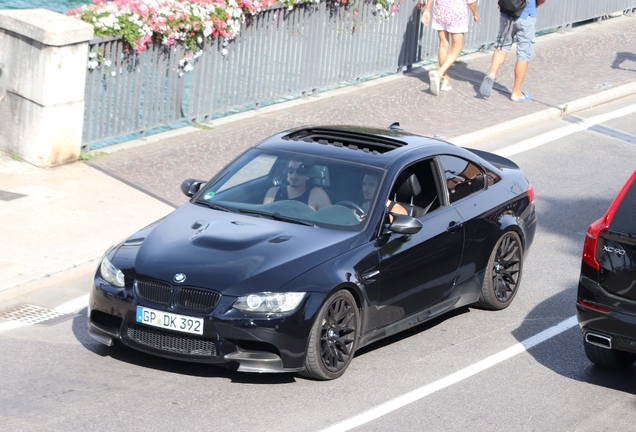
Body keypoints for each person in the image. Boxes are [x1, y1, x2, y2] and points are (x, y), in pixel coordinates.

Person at [479, 0, 546, 102]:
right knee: (523, 55)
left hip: (506, 14)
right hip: (526, 16)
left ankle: (492, 73)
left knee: (501, 47)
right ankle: (516, 93)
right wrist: (536, 4)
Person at [421, 0, 480, 96]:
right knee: (457, 47)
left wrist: (427, 9)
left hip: (440, 10)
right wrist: (475, 13)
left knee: (443, 44)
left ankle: (445, 80)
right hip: (456, 12)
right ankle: (439, 73)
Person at [263, 159, 332, 210]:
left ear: (308, 175)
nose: (294, 175)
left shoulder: (317, 195)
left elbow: (329, 221)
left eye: (300, 172)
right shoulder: (273, 193)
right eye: (291, 170)